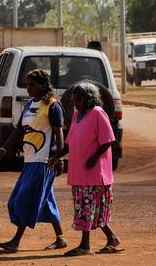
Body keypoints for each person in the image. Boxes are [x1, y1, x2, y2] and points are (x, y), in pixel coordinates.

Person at [0, 69, 68, 253]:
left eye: (32, 85)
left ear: (43, 86)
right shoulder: (29, 105)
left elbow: (59, 132)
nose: (28, 88)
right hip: (30, 160)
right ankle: (60, 238)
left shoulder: (52, 106)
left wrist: (59, 159)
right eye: (27, 84)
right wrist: (5, 147)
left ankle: (16, 241)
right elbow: (19, 130)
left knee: (26, 198)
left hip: (45, 161)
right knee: (45, 199)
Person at [48, 81, 123, 257]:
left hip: (94, 173)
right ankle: (111, 238)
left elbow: (108, 141)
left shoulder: (98, 113)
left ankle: (85, 245)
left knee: (87, 208)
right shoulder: (76, 115)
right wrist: (56, 157)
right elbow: (69, 143)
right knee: (89, 209)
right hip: (78, 171)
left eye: (79, 99)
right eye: (74, 99)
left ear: (89, 99)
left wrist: (94, 158)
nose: (76, 103)